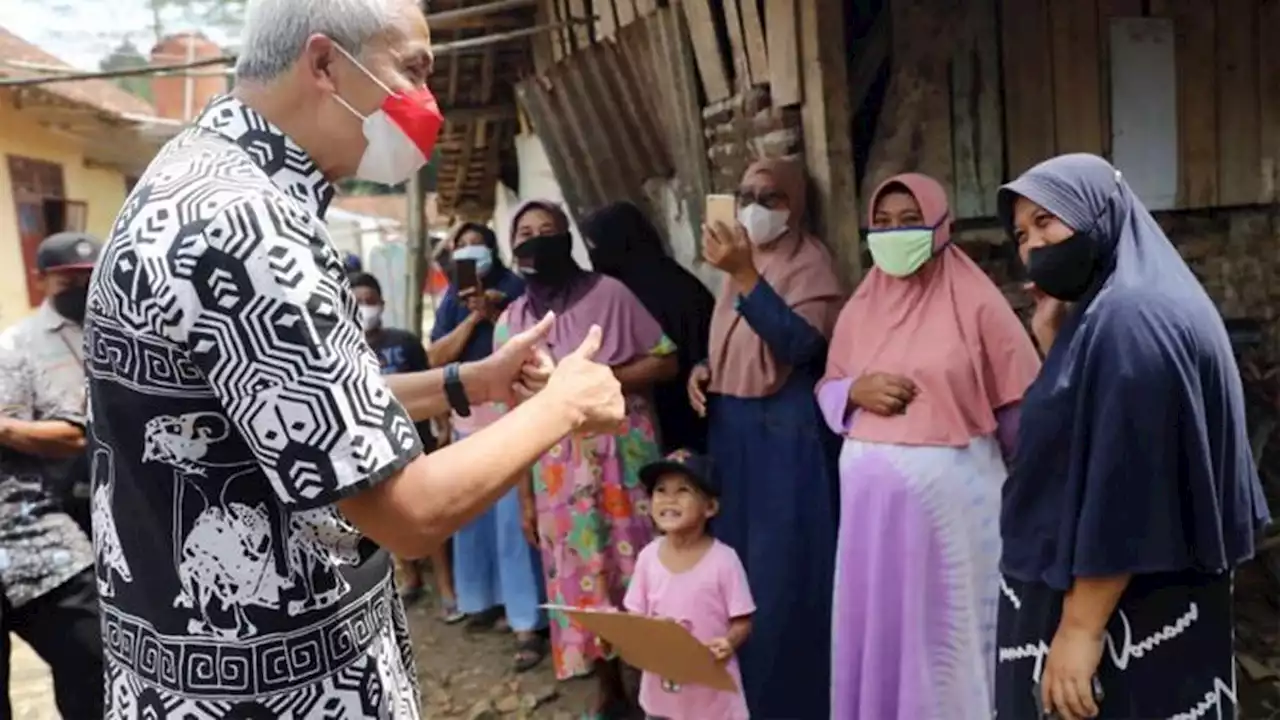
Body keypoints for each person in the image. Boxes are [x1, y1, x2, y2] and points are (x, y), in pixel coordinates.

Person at [82, 0, 627, 715]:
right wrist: (565, 404)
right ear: (323, 63)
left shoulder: (194, 178)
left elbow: (289, 407)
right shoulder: (248, 226)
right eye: (412, 69)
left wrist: (468, 382)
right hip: (280, 693)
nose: (425, 101)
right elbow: (405, 513)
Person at [995, 153, 1271, 719]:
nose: (1033, 247)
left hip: (1125, 617)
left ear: (1100, 212)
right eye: (1022, 235)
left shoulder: (1129, 321)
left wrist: (1080, 629)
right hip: (1145, 602)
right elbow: (1090, 431)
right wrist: (1056, 345)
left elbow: (1125, 488)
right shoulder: (1124, 308)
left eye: (1048, 222)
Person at [814, 173, 1041, 719]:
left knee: (945, 640)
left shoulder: (979, 304)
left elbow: (1023, 412)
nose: (894, 233)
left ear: (943, 227)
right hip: (872, 528)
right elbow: (827, 388)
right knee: (884, 632)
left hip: (953, 518)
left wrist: (1034, 496)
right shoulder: (860, 308)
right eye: (883, 223)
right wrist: (855, 391)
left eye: (909, 221)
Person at [495, 199, 677, 716]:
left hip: (623, 461)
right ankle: (608, 689)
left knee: (638, 568)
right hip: (555, 475)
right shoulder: (510, 324)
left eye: (547, 230)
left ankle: (654, 686)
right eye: (525, 233)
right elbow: (512, 420)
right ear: (514, 250)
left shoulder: (610, 295)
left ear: (566, 240)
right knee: (581, 580)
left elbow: (666, 360)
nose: (536, 240)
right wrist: (525, 500)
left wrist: (600, 381)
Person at [688, 157, 845, 718]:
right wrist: (706, 369)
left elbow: (803, 348)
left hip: (786, 435)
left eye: (771, 197)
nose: (755, 206)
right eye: (746, 193)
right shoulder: (736, 267)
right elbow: (733, 341)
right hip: (734, 433)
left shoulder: (810, 265)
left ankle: (795, 704)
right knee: (737, 574)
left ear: (797, 206)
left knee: (784, 578)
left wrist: (748, 276)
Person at [428, 223, 548, 671]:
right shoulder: (451, 300)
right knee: (473, 519)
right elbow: (436, 357)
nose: (468, 250)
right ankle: (485, 600)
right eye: (459, 246)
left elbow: (531, 347)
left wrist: (496, 314)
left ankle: (527, 621)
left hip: (510, 419)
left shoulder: (517, 290)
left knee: (515, 526)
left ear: (494, 249)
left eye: (475, 243)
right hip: (467, 424)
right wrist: (474, 317)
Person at [0, 232, 104, 718]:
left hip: (86, 525)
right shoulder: (17, 347)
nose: (81, 287)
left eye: (89, 276)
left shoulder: (128, 329)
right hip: (54, 517)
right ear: (43, 279)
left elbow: (74, 432)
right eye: (69, 278)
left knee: (97, 666)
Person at [350, 271, 463, 621]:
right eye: (357, 302)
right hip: (369, 448)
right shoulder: (342, 352)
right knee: (386, 517)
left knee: (429, 514)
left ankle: (446, 589)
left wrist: (443, 424)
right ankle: (411, 579)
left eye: (370, 300)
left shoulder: (405, 341)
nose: (366, 308)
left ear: (382, 303)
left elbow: (431, 384)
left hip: (414, 441)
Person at [624, 449, 754, 720]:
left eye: (683, 490)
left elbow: (743, 620)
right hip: (661, 692)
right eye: (660, 490)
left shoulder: (724, 561)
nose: (669, 499)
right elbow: (635, 617)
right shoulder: (648, 557)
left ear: (710, 507)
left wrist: (729, 642)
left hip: (711, 695)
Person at [581, 202, 715, 453]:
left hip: (671, 416)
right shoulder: (683, 282)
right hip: (698, 417)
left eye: (595, 247)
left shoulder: (627, 297)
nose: (593, 256)